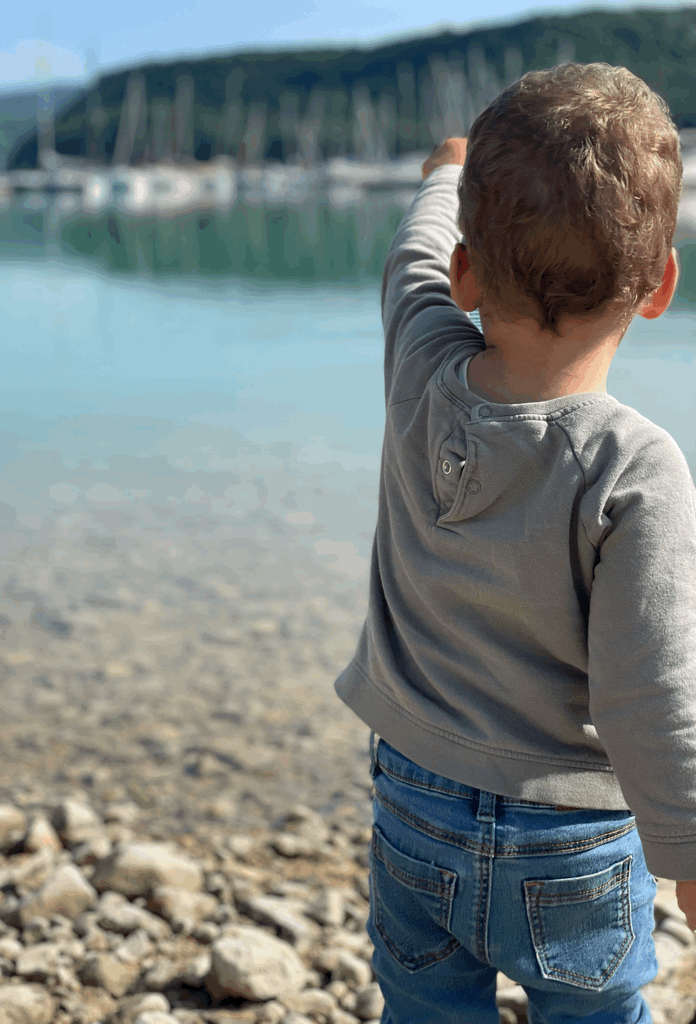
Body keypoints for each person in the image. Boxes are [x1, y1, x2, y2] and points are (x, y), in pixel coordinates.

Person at [333, 62, 696, 1023]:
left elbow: (409, 263)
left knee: (425, 1010)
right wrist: (690, 850)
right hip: (569, 837)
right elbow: (650, 688)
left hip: (413, 802)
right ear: (659, 285)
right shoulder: (636, 466)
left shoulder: (420, 366)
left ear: (466, 276)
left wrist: (441, 179)